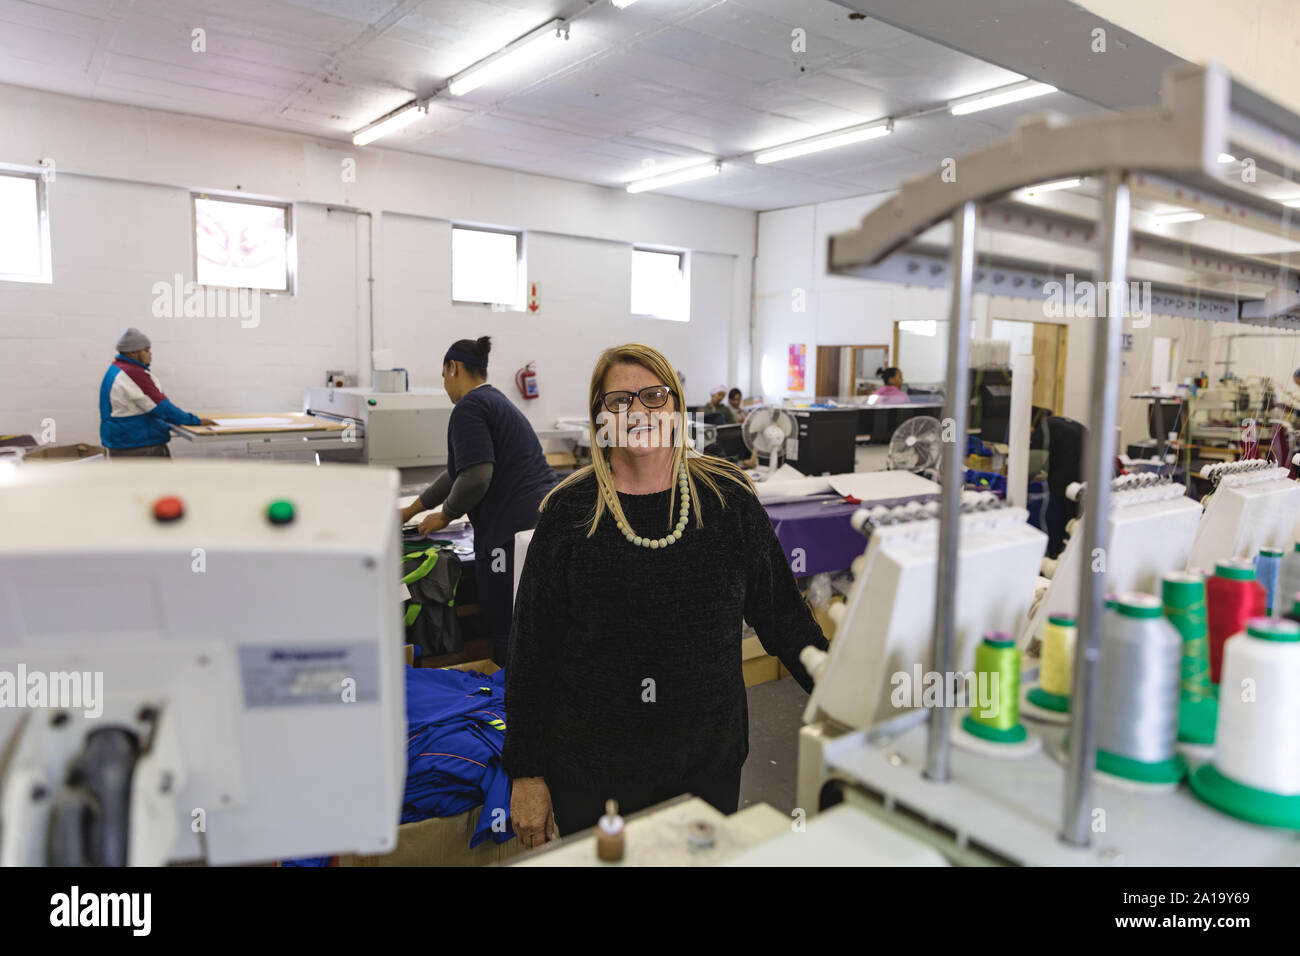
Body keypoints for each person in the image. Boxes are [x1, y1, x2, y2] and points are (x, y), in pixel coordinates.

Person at [504, 343, 829, 848]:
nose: (638, 412)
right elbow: (531, 654)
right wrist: (525, 773)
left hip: (705, 764)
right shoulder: (569, 514)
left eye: (654, 396)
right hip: (593, 773)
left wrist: (842, 699)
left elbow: (784, 617)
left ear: (676, 407)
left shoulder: (727, 500)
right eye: (619, 401)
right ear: (601, 417)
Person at [398, 336, 556, 665]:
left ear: (453, 368)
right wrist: (413, 510)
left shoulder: (469, 408)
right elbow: (457, 473)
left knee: (503, 629)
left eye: (443, 376)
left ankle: (504, 705)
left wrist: (444, 516)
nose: (445, 386)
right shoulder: (494, 401)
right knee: (529, 625)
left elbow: (477, 476)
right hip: (536, 528)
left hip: (508, 536)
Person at [98, 328, 213, 458]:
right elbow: (161, 407)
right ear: (133, 353)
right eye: (146, 350)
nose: (150, 354)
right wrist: (194, 421)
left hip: (122, 442)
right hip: (137, 445)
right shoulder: (133, 373)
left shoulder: (116, 369)